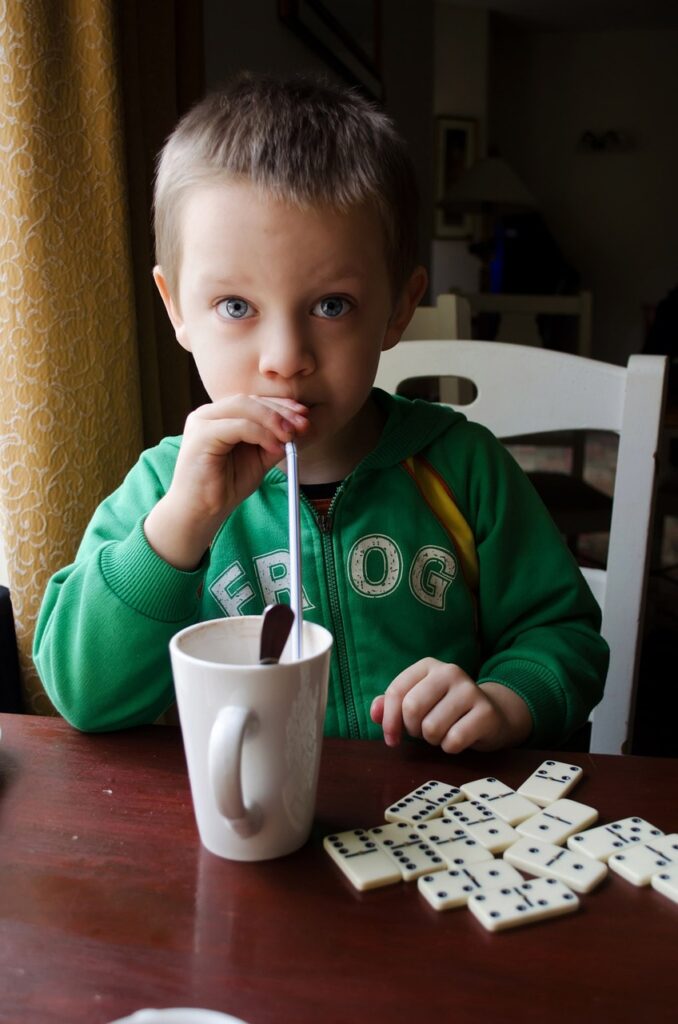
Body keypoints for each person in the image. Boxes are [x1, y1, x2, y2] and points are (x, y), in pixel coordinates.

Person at [33, 73, 608, 752]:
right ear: (177, 309)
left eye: (331, 305)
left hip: (428, 828)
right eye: (236, 307)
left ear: (397, 307)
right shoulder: (165, 489)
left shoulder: (463, 466)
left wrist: (505, 701)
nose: (285, 358)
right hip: (241, 827)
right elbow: (83, 696)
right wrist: (178, 530)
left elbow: (563, 633)